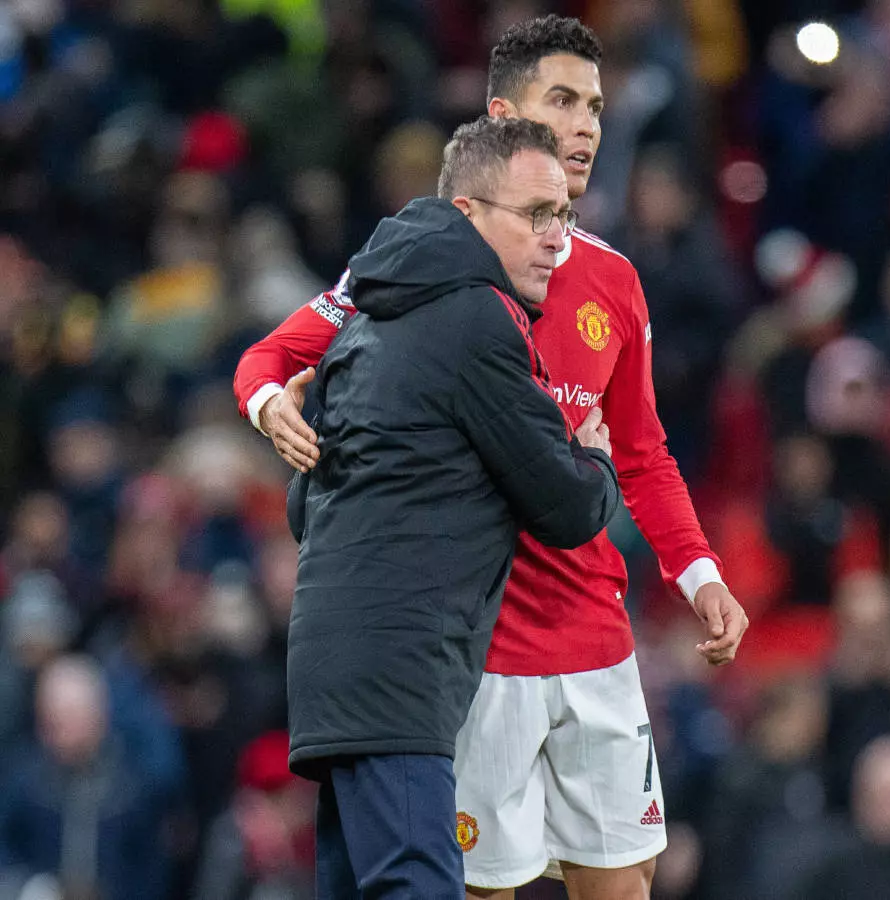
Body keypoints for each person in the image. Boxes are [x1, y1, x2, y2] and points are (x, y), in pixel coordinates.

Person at [233, 16, 750, 900]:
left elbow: (642, 450)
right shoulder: (424, 271)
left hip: (594, 632)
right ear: (503, 115)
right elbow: (269, 355)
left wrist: (698, 573)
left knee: (624, 886)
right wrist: (267, 401)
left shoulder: (614, 281)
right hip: (482, 647)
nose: (586, 124)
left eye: (593, 104)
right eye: (561, 102)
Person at [286, 115, 623, 899]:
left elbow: (309, 505)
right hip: (401, 676)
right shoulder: (473, 318)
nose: (556, 238)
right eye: (536, 215)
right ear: (467, 214)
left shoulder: (366, 320)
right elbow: (567, 506)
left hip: (335, 674)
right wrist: (598, 458)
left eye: (564, 216)